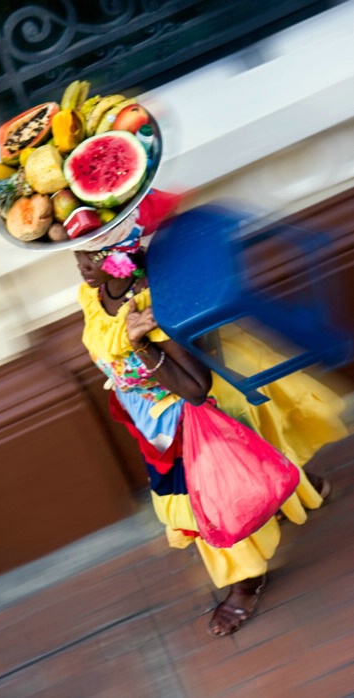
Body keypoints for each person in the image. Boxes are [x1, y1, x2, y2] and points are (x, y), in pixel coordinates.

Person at [74, 191, 347, 637]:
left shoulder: (153, 305)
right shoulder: (99, 291)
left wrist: (141, 344)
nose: (82, 267)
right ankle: (305, 488)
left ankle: (246, 583)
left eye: (90, 257)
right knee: (256, 463)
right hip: (151, 416)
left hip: (191, 417)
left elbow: (196, 389)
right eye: (78, 259)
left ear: (120, 256)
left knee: (213, 501)